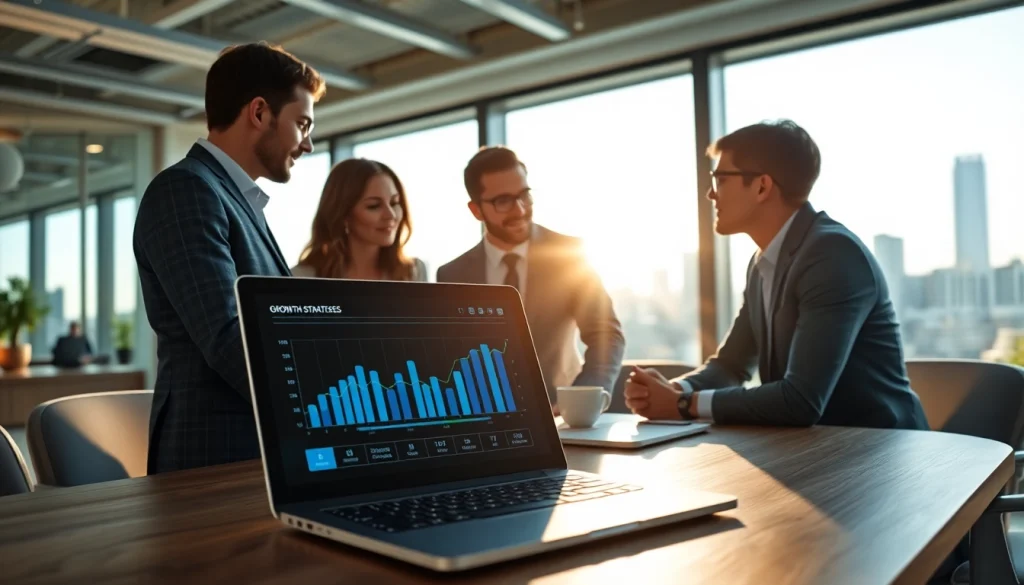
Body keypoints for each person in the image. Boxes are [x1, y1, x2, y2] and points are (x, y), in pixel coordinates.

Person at [625, 119, 928, 430]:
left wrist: (682, 406)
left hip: (881, 454)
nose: (710, 195)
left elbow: (800, 401)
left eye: (720, 179)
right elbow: (731, 365)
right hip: (814, 451)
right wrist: (677, 390)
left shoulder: (833, 254)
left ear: (761, 186)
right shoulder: (761, 264)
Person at [134, 42, 325, 473]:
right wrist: (327, 400)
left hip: (255, 454)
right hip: (213, 461)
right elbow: (227, 338)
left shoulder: (233, 199)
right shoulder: (186, 190)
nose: (308, 144)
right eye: (302, 124)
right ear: (259, 113)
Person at [437, 146, 625, 413]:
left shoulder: (568, 255)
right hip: (486, 417)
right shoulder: (452, 275)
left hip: (561, 415)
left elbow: (606, 334)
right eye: (503, 201)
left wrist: (581, 400)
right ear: (476, 210)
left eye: (524, 195)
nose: (520, 209)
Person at [291, 158, 426, 281]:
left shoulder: (413, 272)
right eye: (374, 206)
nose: (391, 215)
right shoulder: (303, 277)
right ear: (344, 215)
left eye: (394, 202)